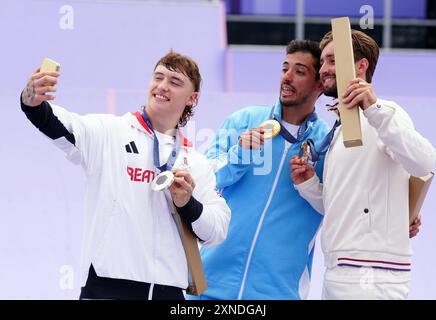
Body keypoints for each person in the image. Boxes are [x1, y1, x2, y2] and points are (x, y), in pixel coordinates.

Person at [20, 51, 230, 300]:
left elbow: (216, 231)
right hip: (108, 286)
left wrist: (188, 204)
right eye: (158, 77)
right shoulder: (111, 132)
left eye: (174, 82)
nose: (162, 86)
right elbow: (57, 122)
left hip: (169, 291)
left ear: (192, 98)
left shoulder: (195, 162)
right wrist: (31, 99)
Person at [291, 30, 435, 299]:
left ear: (361, 66)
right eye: (322, 62)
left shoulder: (386, 112)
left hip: (373, 275)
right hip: (337, 271)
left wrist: (374, 109)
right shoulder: (338, 130)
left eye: (332, 60)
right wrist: (308, 184)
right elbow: (340, 207)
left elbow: (424, 162)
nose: (324, 69)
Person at [189, 40, 331, 300]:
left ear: (320, 84)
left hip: (278, 292)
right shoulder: (244, 121)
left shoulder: (327, 145)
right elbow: (206, 180)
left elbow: (342, 204)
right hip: (208, 286)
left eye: (299, 72)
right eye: (284, 68)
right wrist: (241, 153)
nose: (287, 78)